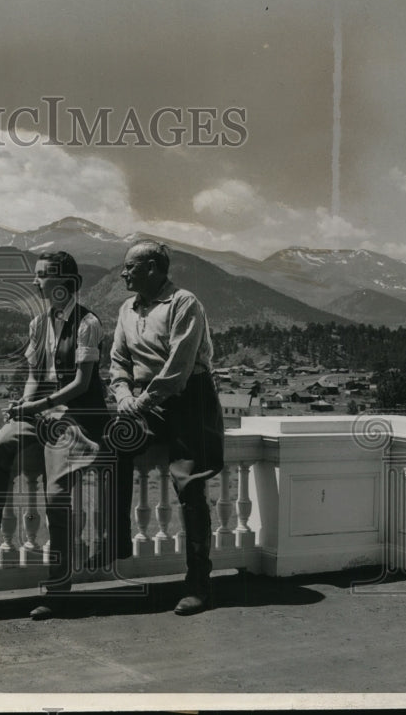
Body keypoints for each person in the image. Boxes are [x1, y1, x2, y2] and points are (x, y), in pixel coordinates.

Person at [0, 250, 111, 620]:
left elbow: (81, 384)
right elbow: (34, 374)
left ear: (63, 281)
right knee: (0, 446)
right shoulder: (39, 324)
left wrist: (36, 408)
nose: (35, 281)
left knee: (57, 495)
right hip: (43, 411)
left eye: (42, 275)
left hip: (77, 416)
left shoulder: (88, 323)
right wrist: (24, 406)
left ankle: (59, 590)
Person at [108, 240, 224, 616]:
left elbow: (178, 368)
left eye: (130, 267)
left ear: (154, 268)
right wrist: (123, 395)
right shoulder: (127, 308)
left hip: (191, 401)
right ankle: (118, 543)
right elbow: (118, 361)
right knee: (111, 444)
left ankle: (199, 584)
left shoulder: (184, 304)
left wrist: (139, 403)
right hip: (148, 403)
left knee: (189, 484)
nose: (123, 273)